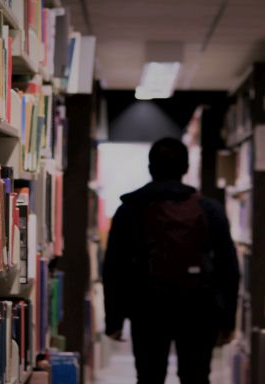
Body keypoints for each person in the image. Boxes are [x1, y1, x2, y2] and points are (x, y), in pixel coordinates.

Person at [103, 137, 240, 384]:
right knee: (196, 377)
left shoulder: (130, 209)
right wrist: (227, 319)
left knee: (149, 376)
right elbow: (229, 267)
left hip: (147, 307)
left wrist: (114, 319)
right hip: (199, 307)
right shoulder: (209, 209)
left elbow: (114, 267)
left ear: (150, 168)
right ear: (186, 168)